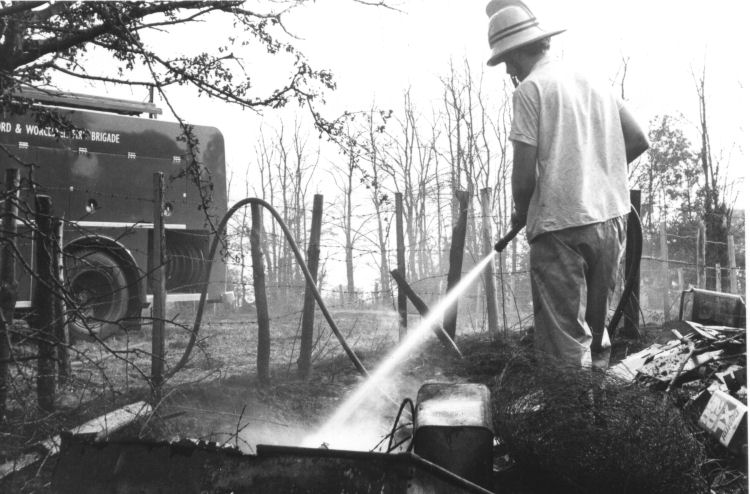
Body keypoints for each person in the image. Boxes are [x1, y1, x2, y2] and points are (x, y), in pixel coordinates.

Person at [486, 0, 649, 369]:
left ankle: (569, 425)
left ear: (515, 53)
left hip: (560, 229)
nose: (507, 68)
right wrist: (595, 171)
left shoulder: (530, 90)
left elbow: (524, 175)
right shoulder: (592, 79)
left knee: (565, 345)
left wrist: (521, 211)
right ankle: (595, 416)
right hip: (610, 219)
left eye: (506, 60)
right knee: (596, 334)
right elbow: (638, 138)